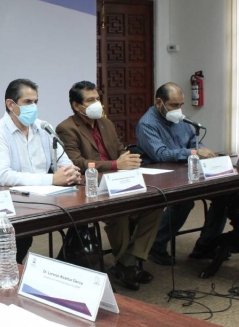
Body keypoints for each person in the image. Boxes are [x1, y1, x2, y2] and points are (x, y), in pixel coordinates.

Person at [56, 80, 163, 290]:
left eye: (97, 98)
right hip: (92, 188)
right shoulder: (66, 128)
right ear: (76, 106)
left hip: (120, 182)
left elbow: (120, 149)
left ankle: (128, 261)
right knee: (120, 212)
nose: (97, 103)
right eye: (90, 100)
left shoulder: (106, 124)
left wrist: (128, 159)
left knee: (156, 204)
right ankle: (127, 263)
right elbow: (77, 162)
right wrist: (115, 164)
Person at [0, 78, 81, 263]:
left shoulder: (44, 128)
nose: (33, 107)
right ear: (10, 104)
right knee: (22, 235)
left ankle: (71, 265)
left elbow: (64, 161)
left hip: (39, 197)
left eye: (36, 102)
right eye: (28, 102)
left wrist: (70, 172)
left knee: (81, 216)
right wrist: (52, 179)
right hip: (5, 201)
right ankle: (12, 268)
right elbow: (5, 177)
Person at [136, 82, 229, 265]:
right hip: (159, 174)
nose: (178, 109)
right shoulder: (147, 124)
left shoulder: (180, 119)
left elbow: (193, 141)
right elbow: (160, 155)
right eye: (173, 105)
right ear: (158, 103)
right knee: (184, 202)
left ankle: (206, 244)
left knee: (226, 193)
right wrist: (192, 153)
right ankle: (157, 244)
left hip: (185, 170)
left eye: (180, 105)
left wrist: (201, 150)